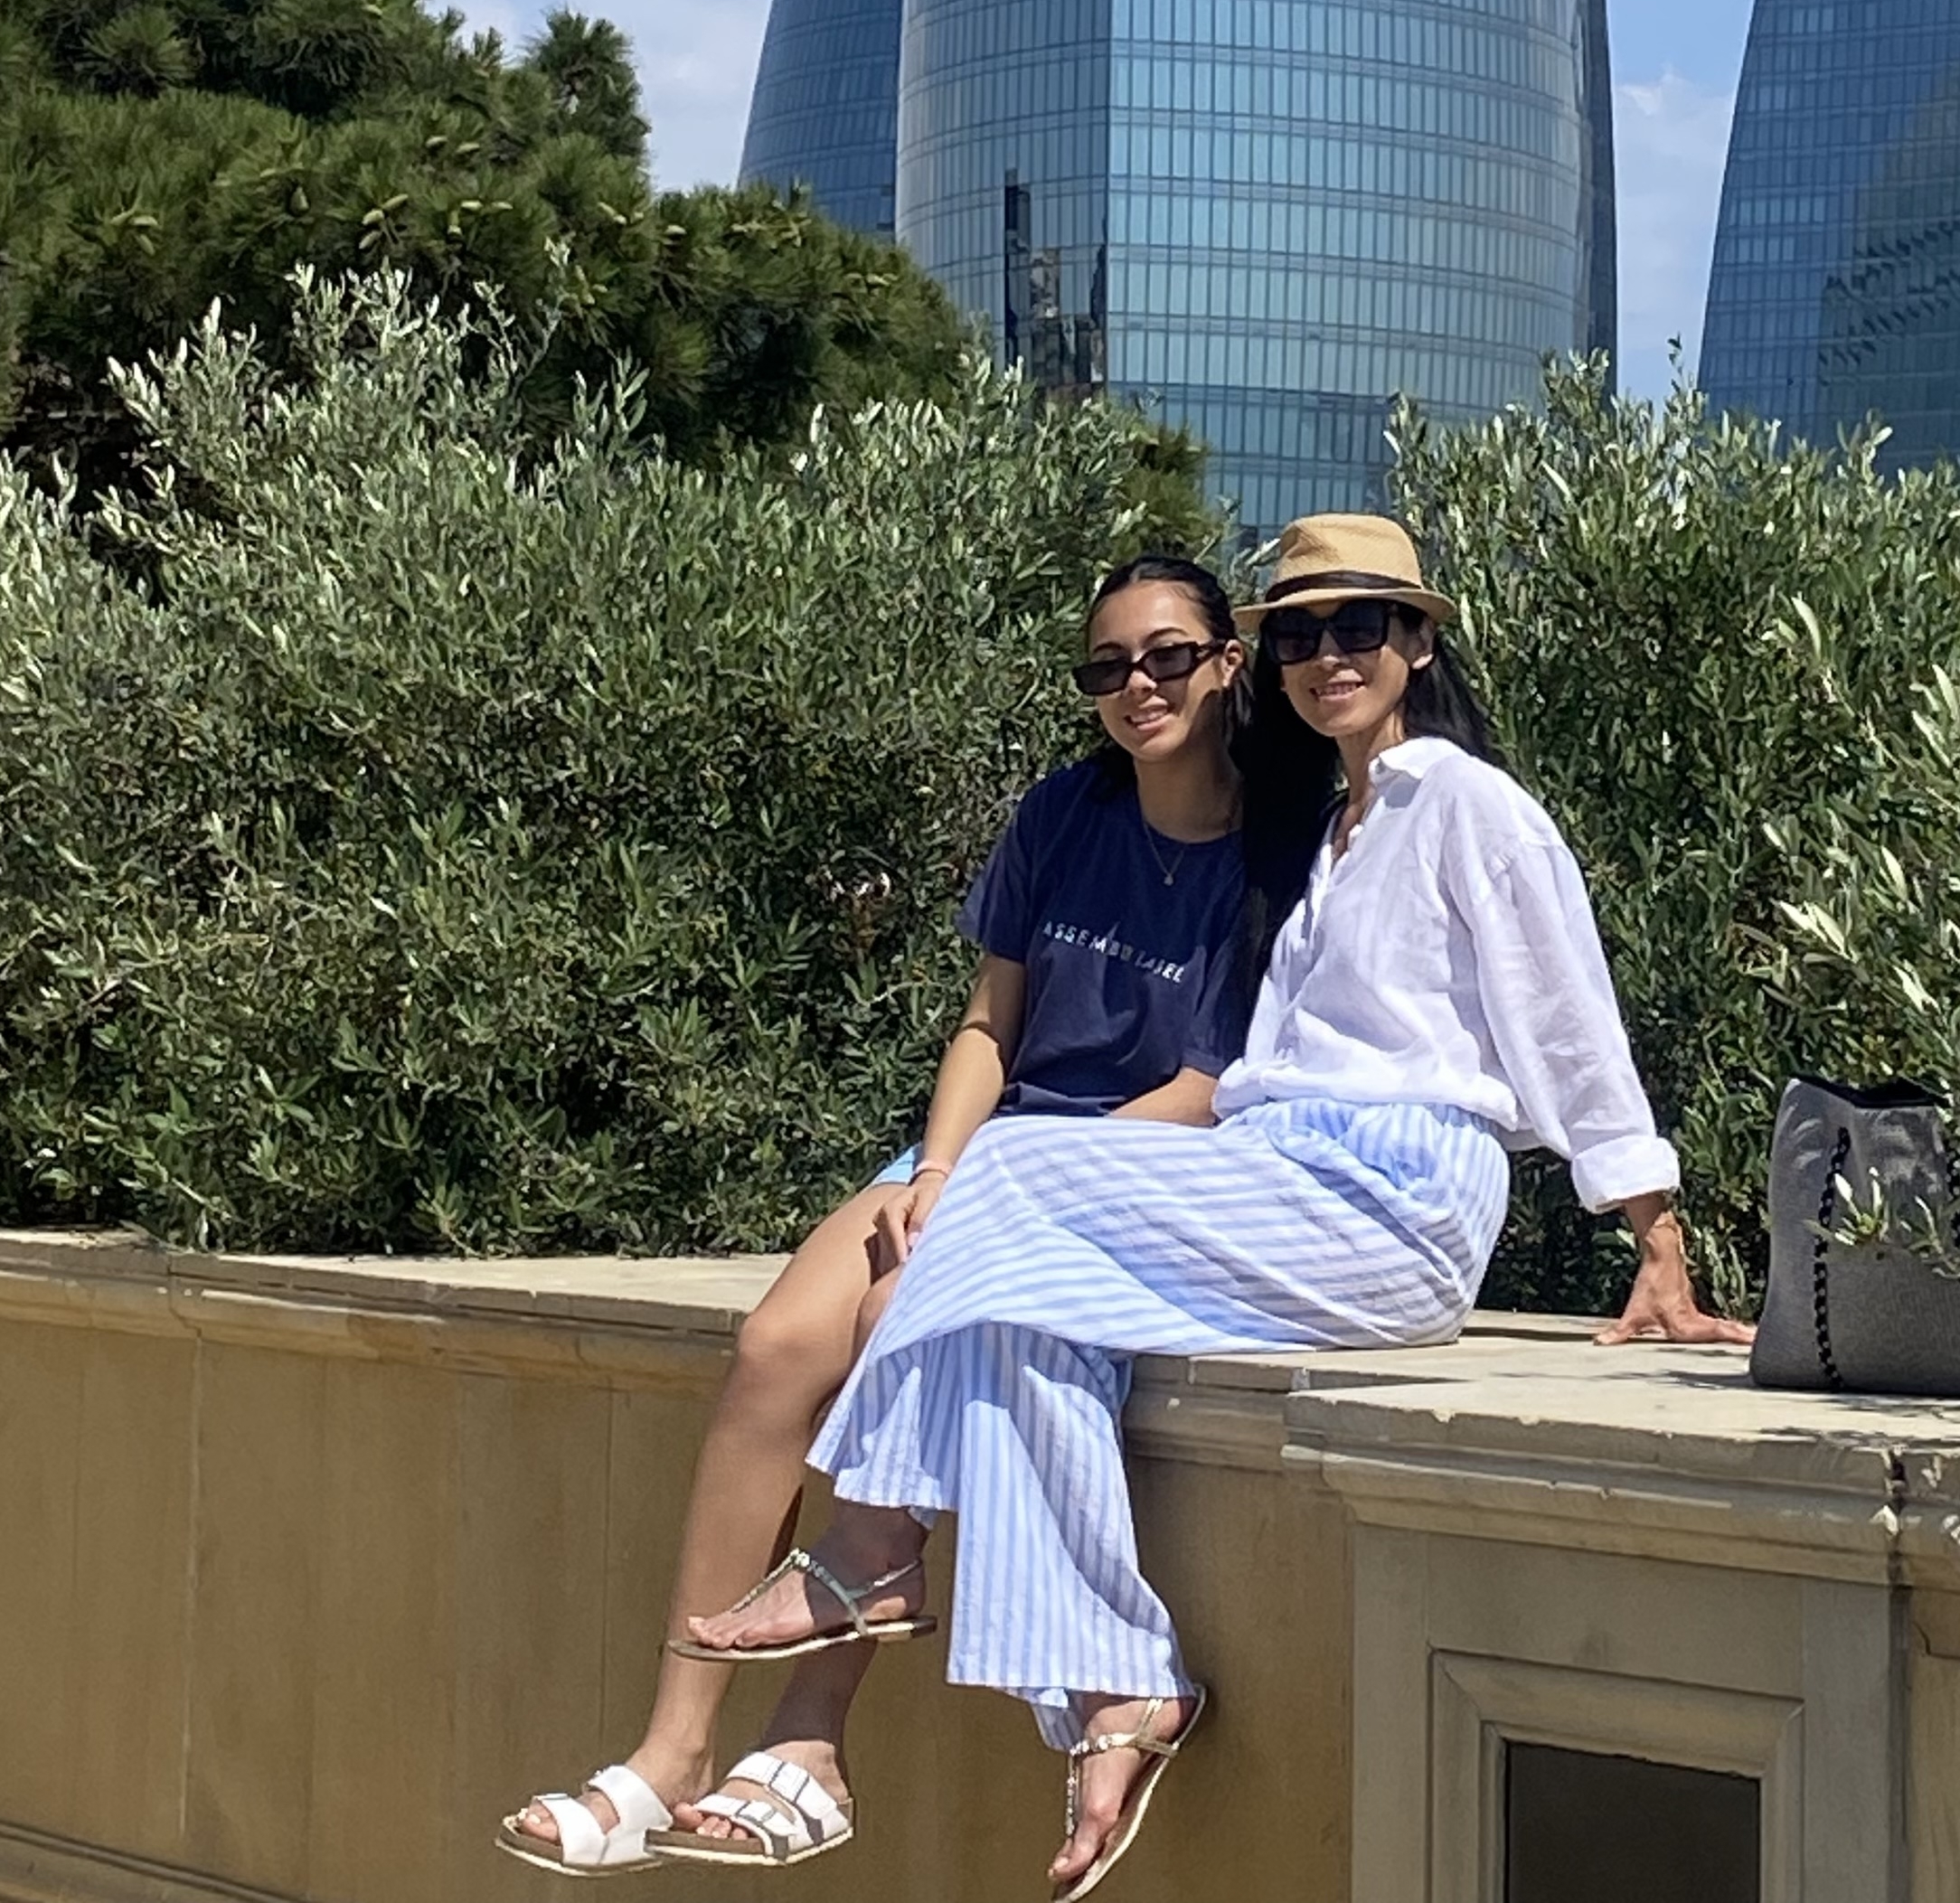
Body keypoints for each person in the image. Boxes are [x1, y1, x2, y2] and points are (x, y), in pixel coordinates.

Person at [688, 513, 1750, 1897]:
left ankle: (874, 1543)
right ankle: (1116, 1695)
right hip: (1277, 1180)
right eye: (1300, 635)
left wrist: (1653, 1239)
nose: (1328, 658)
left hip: (1392, 1194)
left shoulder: (1463, 800)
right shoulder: (1333, 839)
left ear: (1418, 641)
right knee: (1023, 1322)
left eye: (1358, 627)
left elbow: (1568, 1017)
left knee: (1006, 1166)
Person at [499, 552, 1279, 1874]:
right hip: (989, 1153)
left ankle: (810, 1736)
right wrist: (937, 1174)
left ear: (1225, 664)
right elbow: (991, 1022)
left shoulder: (1274, 856)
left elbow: (1211, 1088)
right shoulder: (1064, 816)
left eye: (1165, 657)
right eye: (1107, 667)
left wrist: (1008, 1185)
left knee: (889, 1314)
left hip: (1131, 1172)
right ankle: (672, 1751)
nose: (1136, 686)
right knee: (776, 1348)